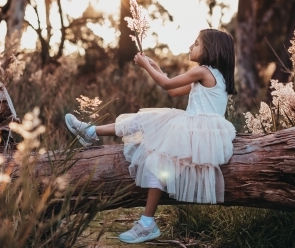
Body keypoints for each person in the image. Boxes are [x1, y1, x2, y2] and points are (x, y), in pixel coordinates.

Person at [65, 28, 237, 244]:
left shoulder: (202, 71)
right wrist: (157, 67)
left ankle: (90, 132)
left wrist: (146, 66)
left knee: (147, 131)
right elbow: (174, 91)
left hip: (194, 131)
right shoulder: (217, 76)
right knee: (151, 142)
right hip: (204, 136)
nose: (190, 47)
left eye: (196, 43)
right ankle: (91, 132)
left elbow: (166, 85)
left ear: (211, 49)